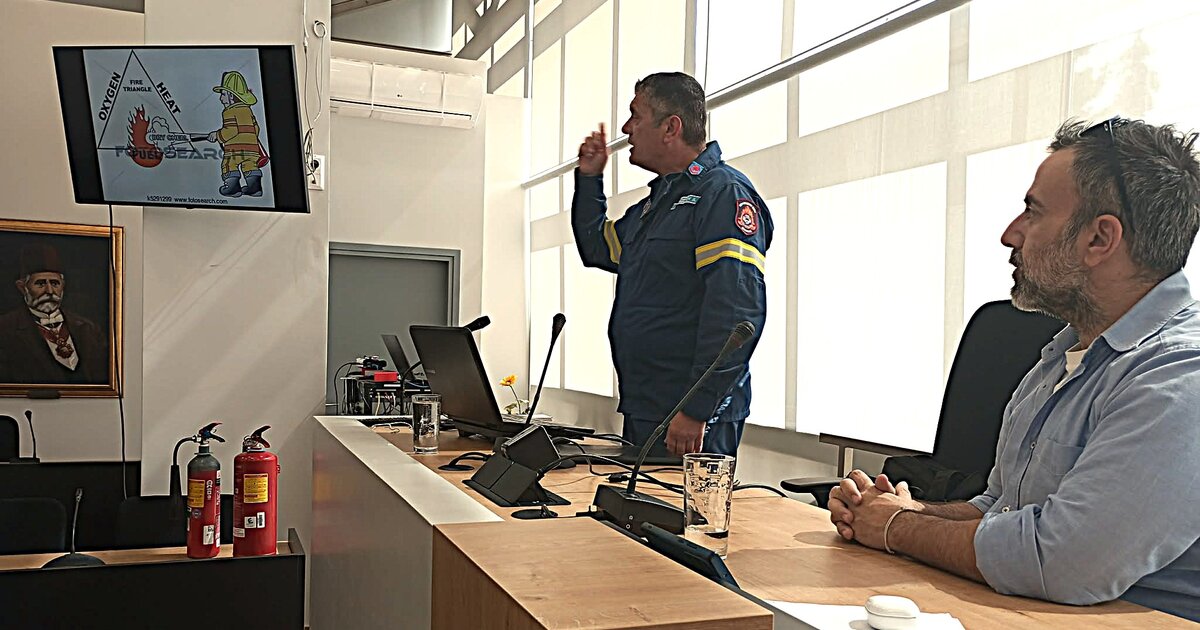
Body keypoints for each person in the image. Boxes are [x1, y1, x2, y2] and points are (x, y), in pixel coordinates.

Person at [829, 117, 1200, 621]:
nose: (1011, 234)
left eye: (1033, 211)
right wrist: (901, 511)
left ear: (1099, 239)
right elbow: (1001, 508)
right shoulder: (1063, 356)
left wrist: (896, 529)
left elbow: (1062, 560)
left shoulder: (1179, 377)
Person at [571, 72, 772, 457]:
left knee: (686, 501)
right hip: (647, 404)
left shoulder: (722, 194)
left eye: (636, 116)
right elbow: (598, 247)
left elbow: (736, 313)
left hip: (690, 416)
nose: (626, 129)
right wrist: (589, 179)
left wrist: (697, 409)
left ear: (670, 128)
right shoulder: (658, 205)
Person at [0, 244, 108, 384]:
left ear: (63, 286)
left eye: (55, 283)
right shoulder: (5, 328)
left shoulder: (88, 329)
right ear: (22, 287)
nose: (49, 291)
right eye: (40, 284)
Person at [207, 70, 266, 198]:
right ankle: (254, 188)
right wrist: (249, 138)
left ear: (231, 95)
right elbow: (256, 128)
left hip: (235, 150)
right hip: (252, 149)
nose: (220, 98)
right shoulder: (247, 110)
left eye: (223, 94)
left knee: (229, 164)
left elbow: (231, 130)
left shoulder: (229, 112)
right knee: (250, 165)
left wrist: (217, 135)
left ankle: (232, 189)